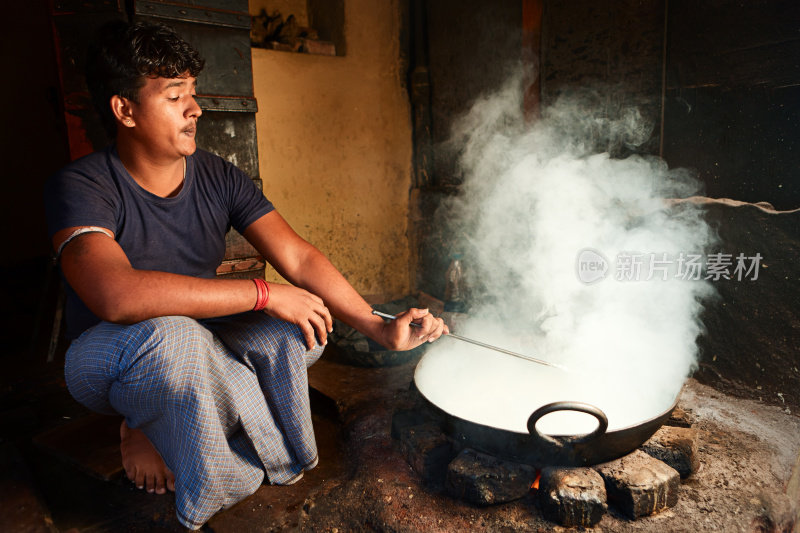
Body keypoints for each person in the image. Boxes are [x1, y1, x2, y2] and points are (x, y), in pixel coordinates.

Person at [44, 20, 446, 530]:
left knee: (301, 328)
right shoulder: (80, 185)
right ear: (124, 110)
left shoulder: (218, 175)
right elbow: (114, 295)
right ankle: (169, 441)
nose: (195, 109)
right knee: (177, 340)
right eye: (174, 96)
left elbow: (297, 257)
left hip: (200, 345)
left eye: (192, 93)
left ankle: (181, 421)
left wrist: (374, 325)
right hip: (110, 355)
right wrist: (262, 292)